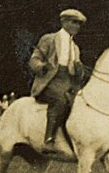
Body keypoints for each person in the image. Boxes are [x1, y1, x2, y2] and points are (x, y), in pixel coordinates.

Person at [29, 9, 88, 153]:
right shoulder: (49, 39)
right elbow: (34, 59)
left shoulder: (75, 48)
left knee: (85, 104)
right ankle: (48, 139)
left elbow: (77, 75)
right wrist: (41, 66)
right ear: (64, 22)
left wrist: (79, 70)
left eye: (79, 24)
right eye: (74, 22)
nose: (77, 26)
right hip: (49, 81)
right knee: (60, 100)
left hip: (69, 82)